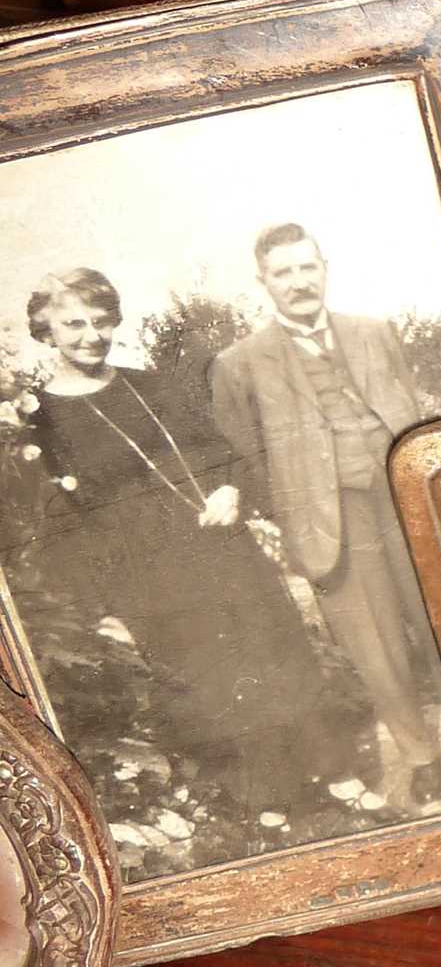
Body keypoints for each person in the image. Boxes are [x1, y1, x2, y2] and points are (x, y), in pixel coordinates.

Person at [24, 267, 336, 816]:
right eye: (73, 323)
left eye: (101, 322)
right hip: (145, 570)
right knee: (209, 673)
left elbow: (221, 451)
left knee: (272, 649)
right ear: (45, 330)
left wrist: (230, 491)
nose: (90, 335)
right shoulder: (37, 422)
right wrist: (98, 605)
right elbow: (60, 526)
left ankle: (319, 773)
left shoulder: (148, 385)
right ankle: (257, 798)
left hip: (217, 543)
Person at [209, 223, 441, 807]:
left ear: (324, 267)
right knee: (376, 647)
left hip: (406, 501)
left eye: (305, 267)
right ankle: (421, 755)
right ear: (264, 283)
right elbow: (245, 452)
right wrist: (292, 513)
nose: (298, 283)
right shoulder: (241, 363)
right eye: (283, 273)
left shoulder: (374, 333)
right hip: (330, 521)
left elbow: (408, 405)